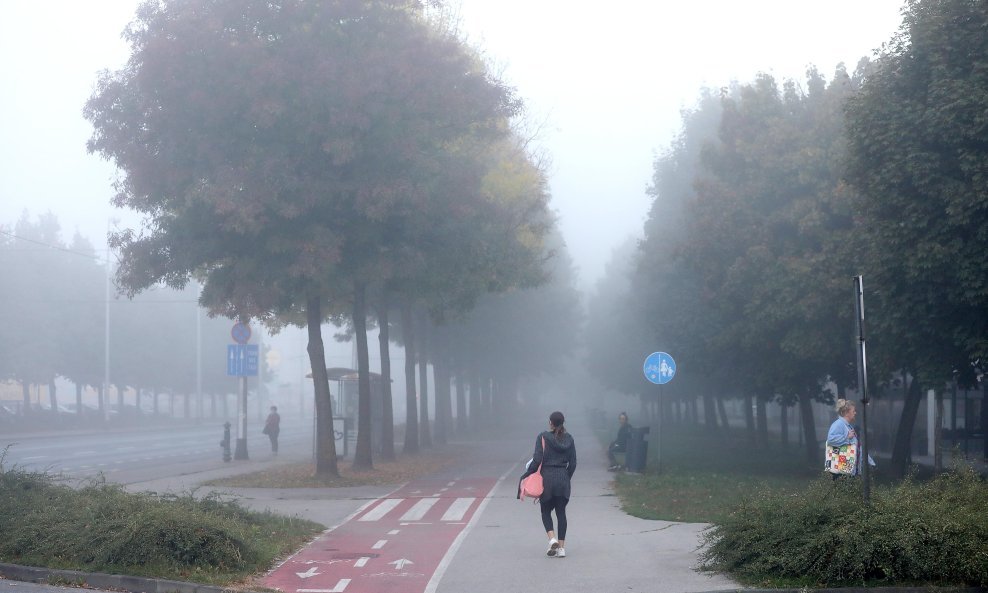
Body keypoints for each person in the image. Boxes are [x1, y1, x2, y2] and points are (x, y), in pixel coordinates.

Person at [518, 411, 577, 558]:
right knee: (561, 513)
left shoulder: (543, 437)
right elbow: (573, 463)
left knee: (545, 511)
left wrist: (526, 475)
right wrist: (566, 477)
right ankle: (562, 549)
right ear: (563, 422)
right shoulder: (569, 439)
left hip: (547, 479)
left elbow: (537, 459)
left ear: (550, 422)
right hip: (563, 478)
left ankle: (552, 539)